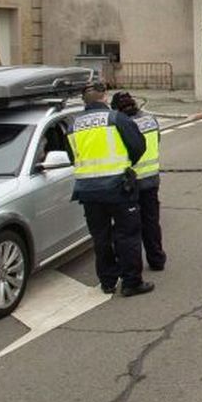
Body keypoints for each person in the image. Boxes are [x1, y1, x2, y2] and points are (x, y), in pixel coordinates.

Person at [68, 81, 154, 297]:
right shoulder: (117, 119)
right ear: (104, 97)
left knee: (100, 236)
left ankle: (107, 282)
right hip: (118, 188)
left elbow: (73, 157)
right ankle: (131, 282)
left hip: (88, 190)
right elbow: (138, 146)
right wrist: (125, 165)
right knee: (127, 234)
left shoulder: (73, 125)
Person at [111, 90, 166, 271]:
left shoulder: (121, 125)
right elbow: (156, 141)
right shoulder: (151, 119)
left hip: (131, 182)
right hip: (151, 179)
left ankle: (132, 267)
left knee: (130, 228)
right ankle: (157, 260)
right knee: (151, 223)